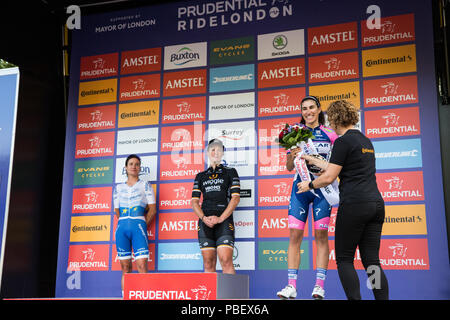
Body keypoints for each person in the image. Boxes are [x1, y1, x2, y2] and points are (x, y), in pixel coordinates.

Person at [297, 100, 389, 300]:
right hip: (376, 205)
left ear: (337, 119)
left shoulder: (342, 141)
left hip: (355, 205)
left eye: (330, 119)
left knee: (345, 259)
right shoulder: (365, 140)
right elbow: (335, 165)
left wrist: (309, 185)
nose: (329, 124)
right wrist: (312, 159)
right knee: (372, 261)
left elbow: (329, 176)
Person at [277, 96, 338, 300]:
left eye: (312, 107)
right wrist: (291, 155)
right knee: (295, 236)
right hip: (300, 187)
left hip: (322, 188)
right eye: (304, 108)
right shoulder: (296, 132)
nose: (308, 111)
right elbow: (288, 167)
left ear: (319, 109)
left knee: (321, 236)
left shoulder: (330, 133)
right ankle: (291, 286)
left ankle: (319, 286)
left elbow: (337, 162)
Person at [191, 139, 240, 274]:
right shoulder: (200, 176)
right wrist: (203, 218)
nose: (215, 151)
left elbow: (235, 198)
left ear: (222, 153)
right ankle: (210, 295)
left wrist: (220, 218)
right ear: (207, 152)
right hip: (205, 221)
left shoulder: (231, 172)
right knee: (208, 263)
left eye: (219, 149)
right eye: (212, 149)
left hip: (223, 220)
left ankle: (231, 295)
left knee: (226, 260)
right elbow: (194, 202)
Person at [113, 154, 157, 295]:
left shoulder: (145, 185)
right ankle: (125, 297)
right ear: (126, 167)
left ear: (140, 168)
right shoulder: (118, 188)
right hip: (121, 229)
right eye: (131, 164)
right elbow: (117, 211)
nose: (134, 166)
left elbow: (152, 209)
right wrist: (126, 222)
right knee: (125, 268)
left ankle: (145, 296)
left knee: (142, 265)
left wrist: (141, 223)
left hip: (138, 228)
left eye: (137, 164)